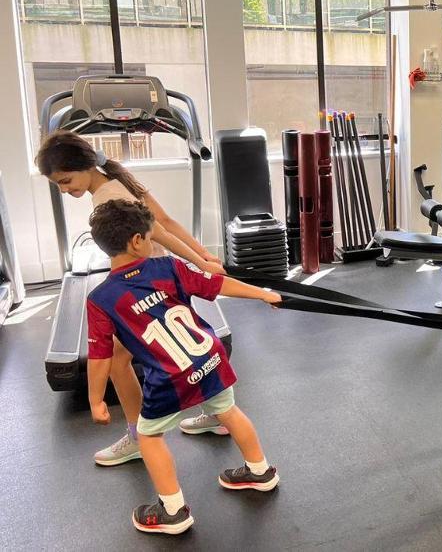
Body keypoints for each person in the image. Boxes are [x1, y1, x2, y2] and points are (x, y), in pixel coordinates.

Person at [87, 199, 282, 535]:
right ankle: (260, 471)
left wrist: (95, 400)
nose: (153, 243)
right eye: (151, 237)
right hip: (209, 357)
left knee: (148, 436)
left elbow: (100, 355)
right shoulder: (168, 267)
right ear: (137, 241)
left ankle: (172, 511)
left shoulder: (101, 298)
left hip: (169, 378)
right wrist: (263, 294)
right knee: (229, 412)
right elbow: (218, 285)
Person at [36, 130, 230, 467]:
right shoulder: (118, 178)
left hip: (144, 285)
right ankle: (218, 414)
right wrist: (203, 256)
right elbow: (164, 222)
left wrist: (202, 263)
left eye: (65, 181)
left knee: (116, 359)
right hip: (159, 279)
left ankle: (140, 438)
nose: (64, 190)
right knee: (185, 344)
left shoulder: (107, 198)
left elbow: (159, 231)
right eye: (58, 185)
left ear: (85, 165)